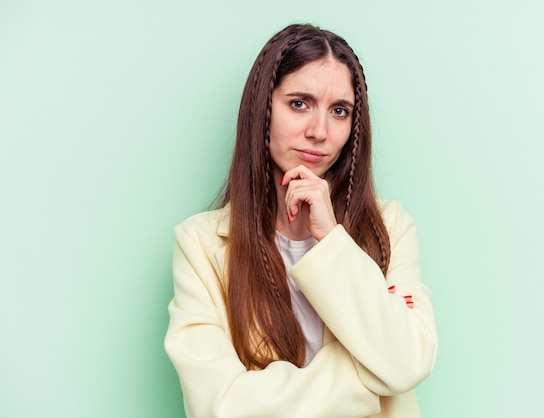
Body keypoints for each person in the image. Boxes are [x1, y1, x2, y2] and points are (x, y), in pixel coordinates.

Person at [164, 23, 437, 418]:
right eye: (299, 103)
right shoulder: (200, 245)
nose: (319, 131)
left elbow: (409, 361)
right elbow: (219, 407)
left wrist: (331, 239)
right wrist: (371, 379)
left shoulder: (390, 227)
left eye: (339, 111)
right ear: (264, 109)